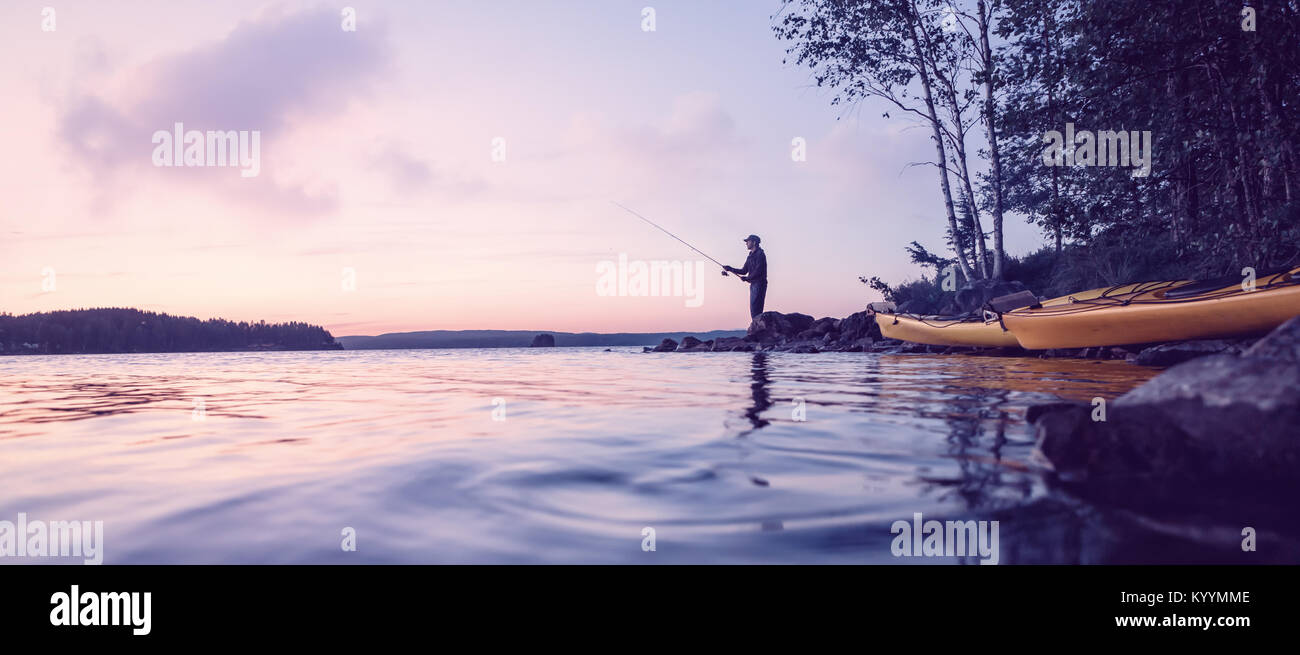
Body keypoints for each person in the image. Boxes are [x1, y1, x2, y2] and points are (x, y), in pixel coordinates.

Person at [723, 234, 767, 319]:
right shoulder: (750, 256)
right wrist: (730, 268)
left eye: (748, 241)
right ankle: (757, 328)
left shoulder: (760, 254)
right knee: (753, 309)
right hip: (753, 284)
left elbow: (758, 271)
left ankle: (758, 329)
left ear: (754, 242)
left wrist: (747, 278)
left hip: (760, 284)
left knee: (756, 309)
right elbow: (744, 271)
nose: (746, 243)